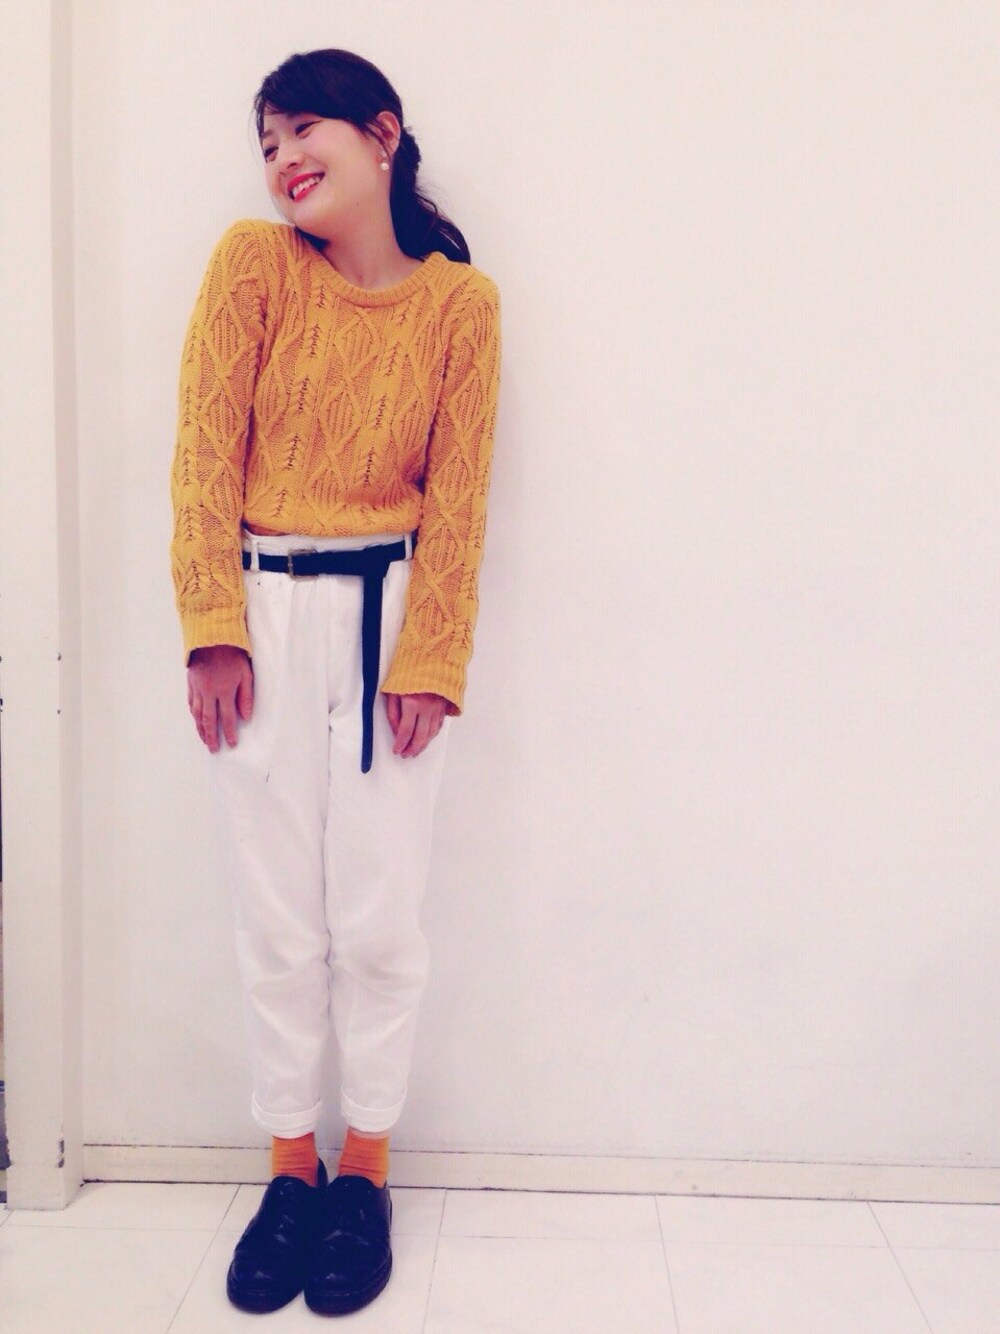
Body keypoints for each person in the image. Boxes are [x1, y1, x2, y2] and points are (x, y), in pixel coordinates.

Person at [169, 47, 502, 1317]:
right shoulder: (253, 266)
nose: (282, 159)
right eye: (267, 142)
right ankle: (286, 1168)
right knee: (274, 918)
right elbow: (204, 451)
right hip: (260, 610)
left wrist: (434, 654)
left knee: (377, 918)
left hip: (387, 617)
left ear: (383, 133)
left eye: (303, 127)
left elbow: (459, 499)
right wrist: (213, 623)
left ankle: (362, 1166)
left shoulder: (461, 305)